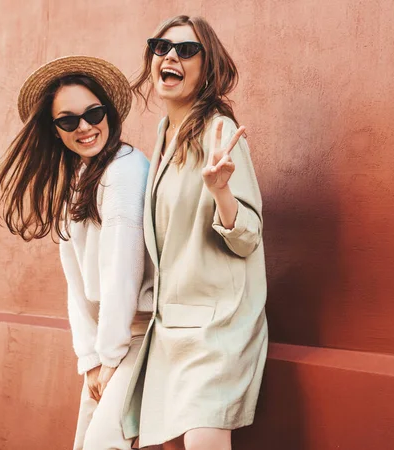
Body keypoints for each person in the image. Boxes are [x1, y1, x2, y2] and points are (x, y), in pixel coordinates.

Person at [0, 56, 153, 450]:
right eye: (68, 120)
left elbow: (122, 271)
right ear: (55, 130)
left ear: (109, 113)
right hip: (111, 342)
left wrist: (108, 359)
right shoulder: (78, 179)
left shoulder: (125, 169)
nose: (84, 127)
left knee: (103, 445)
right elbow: (76, 281)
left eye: (93, 113)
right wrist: (91, 358)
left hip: (139, 337)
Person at [123, 15, 268, 450]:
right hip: (171, 324)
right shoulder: (164, 134)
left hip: (216, 324)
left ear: (209, 69)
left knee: (203, 433)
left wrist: (222, 191)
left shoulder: (218, 130)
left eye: (187, 50)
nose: (170, 56)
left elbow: (248, 236)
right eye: (161, 47)